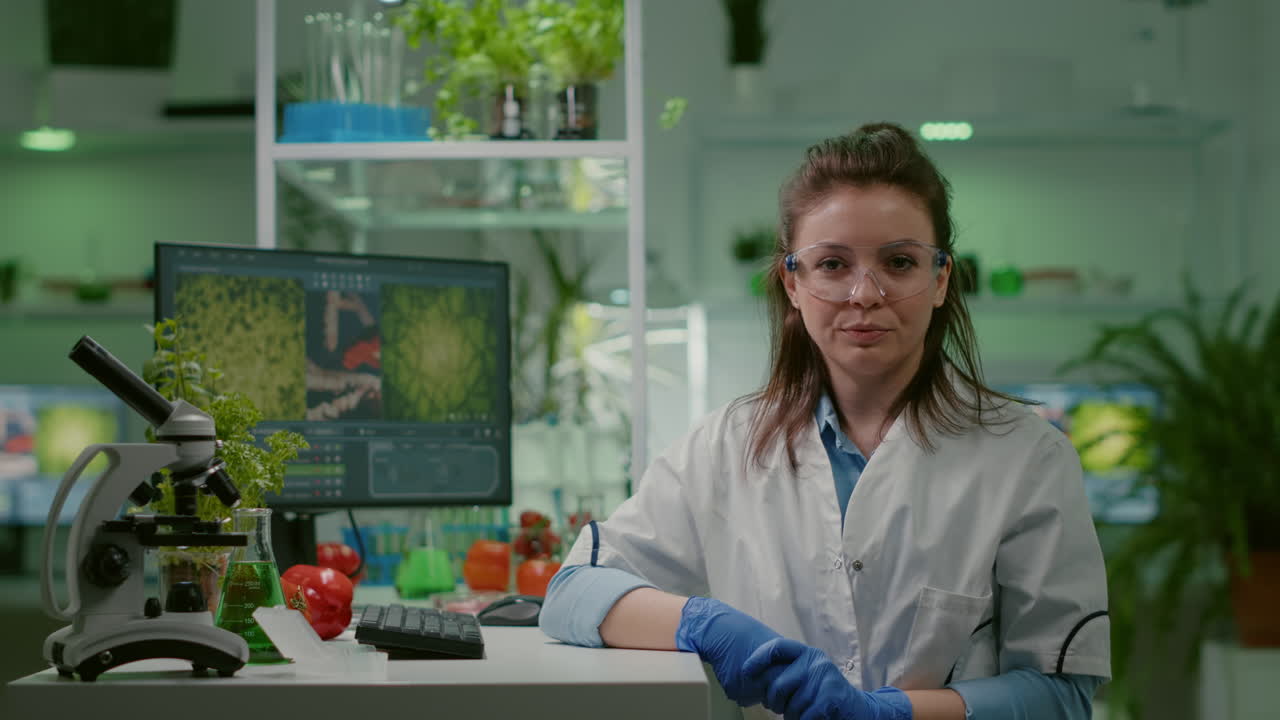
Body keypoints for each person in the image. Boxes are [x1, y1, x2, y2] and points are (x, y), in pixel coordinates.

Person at [538, 122, 1110, 720]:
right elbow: (573, 591)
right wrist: (706, 625)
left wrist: (895, 714)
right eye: (833, 264)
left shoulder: (1027, 455)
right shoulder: (724, 448)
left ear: (941, 279)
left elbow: (1060, 691)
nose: (865, 293)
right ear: (792, 282)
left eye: (899, 262)